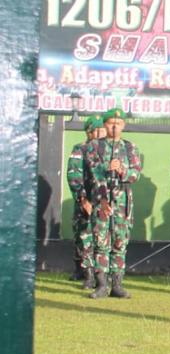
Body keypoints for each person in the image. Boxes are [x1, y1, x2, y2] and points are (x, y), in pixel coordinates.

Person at [83, 108, 143, 299]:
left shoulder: (130, 148)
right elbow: (92, 172)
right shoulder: (94, 146)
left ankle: (117, 284)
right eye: (111, 123)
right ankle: (101, 284)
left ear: (123, 125)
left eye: (118, 123)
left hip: (123, 202)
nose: (114, 126)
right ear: (105, 125)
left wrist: (122, 170)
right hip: (101, 200)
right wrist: (102, 197)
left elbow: (135, 174)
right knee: (101, 241)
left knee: (120, 241)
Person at [67, 116, 103, 287]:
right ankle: (87, 274)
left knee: (102, 238)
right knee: (85, 236)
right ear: (89, 131)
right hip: (87, 199)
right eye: (96, 129)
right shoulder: (80, 149)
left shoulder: (106, 149)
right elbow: (74, 176)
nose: (100, 132)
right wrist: (82, 199)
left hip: (102, 201)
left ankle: (102, 275)